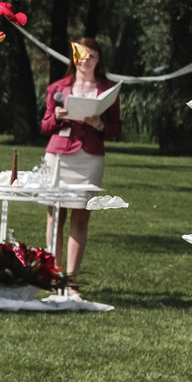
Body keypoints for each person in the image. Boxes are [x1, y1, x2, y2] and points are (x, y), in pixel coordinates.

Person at [39, 37, 121, 285]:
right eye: (81, 55)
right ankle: (54, 276)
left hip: (89, 157)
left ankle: (71, 279)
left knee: (81, 217)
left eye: (92, 56)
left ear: (99, 60)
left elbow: (116, 128)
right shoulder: (57, 88)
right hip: (58, 157)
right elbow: (44, 126)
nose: (86, 60)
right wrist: (57, 116)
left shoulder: (108, 90)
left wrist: (101, 125)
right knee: (55, 217)